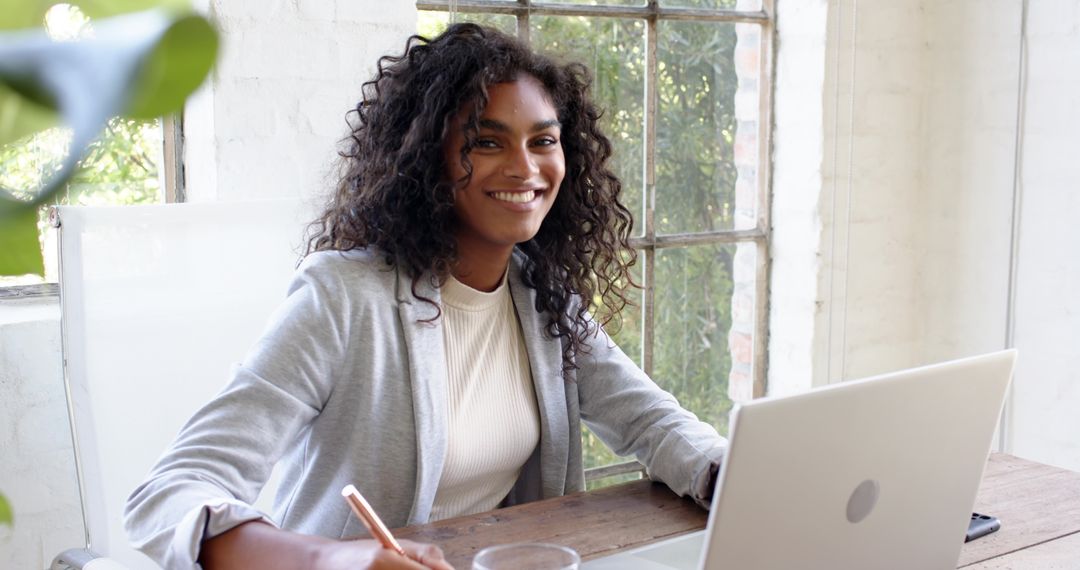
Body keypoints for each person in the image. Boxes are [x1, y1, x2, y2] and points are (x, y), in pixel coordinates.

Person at [124, 23, 727, 570]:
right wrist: (338, 562)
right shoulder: (341, 297)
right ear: (425, 159)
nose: (525, 168)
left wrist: (733, 472)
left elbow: (652, 423)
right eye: (486, 143)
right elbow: (173, 490)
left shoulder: (543, 300)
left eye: (543, 141)